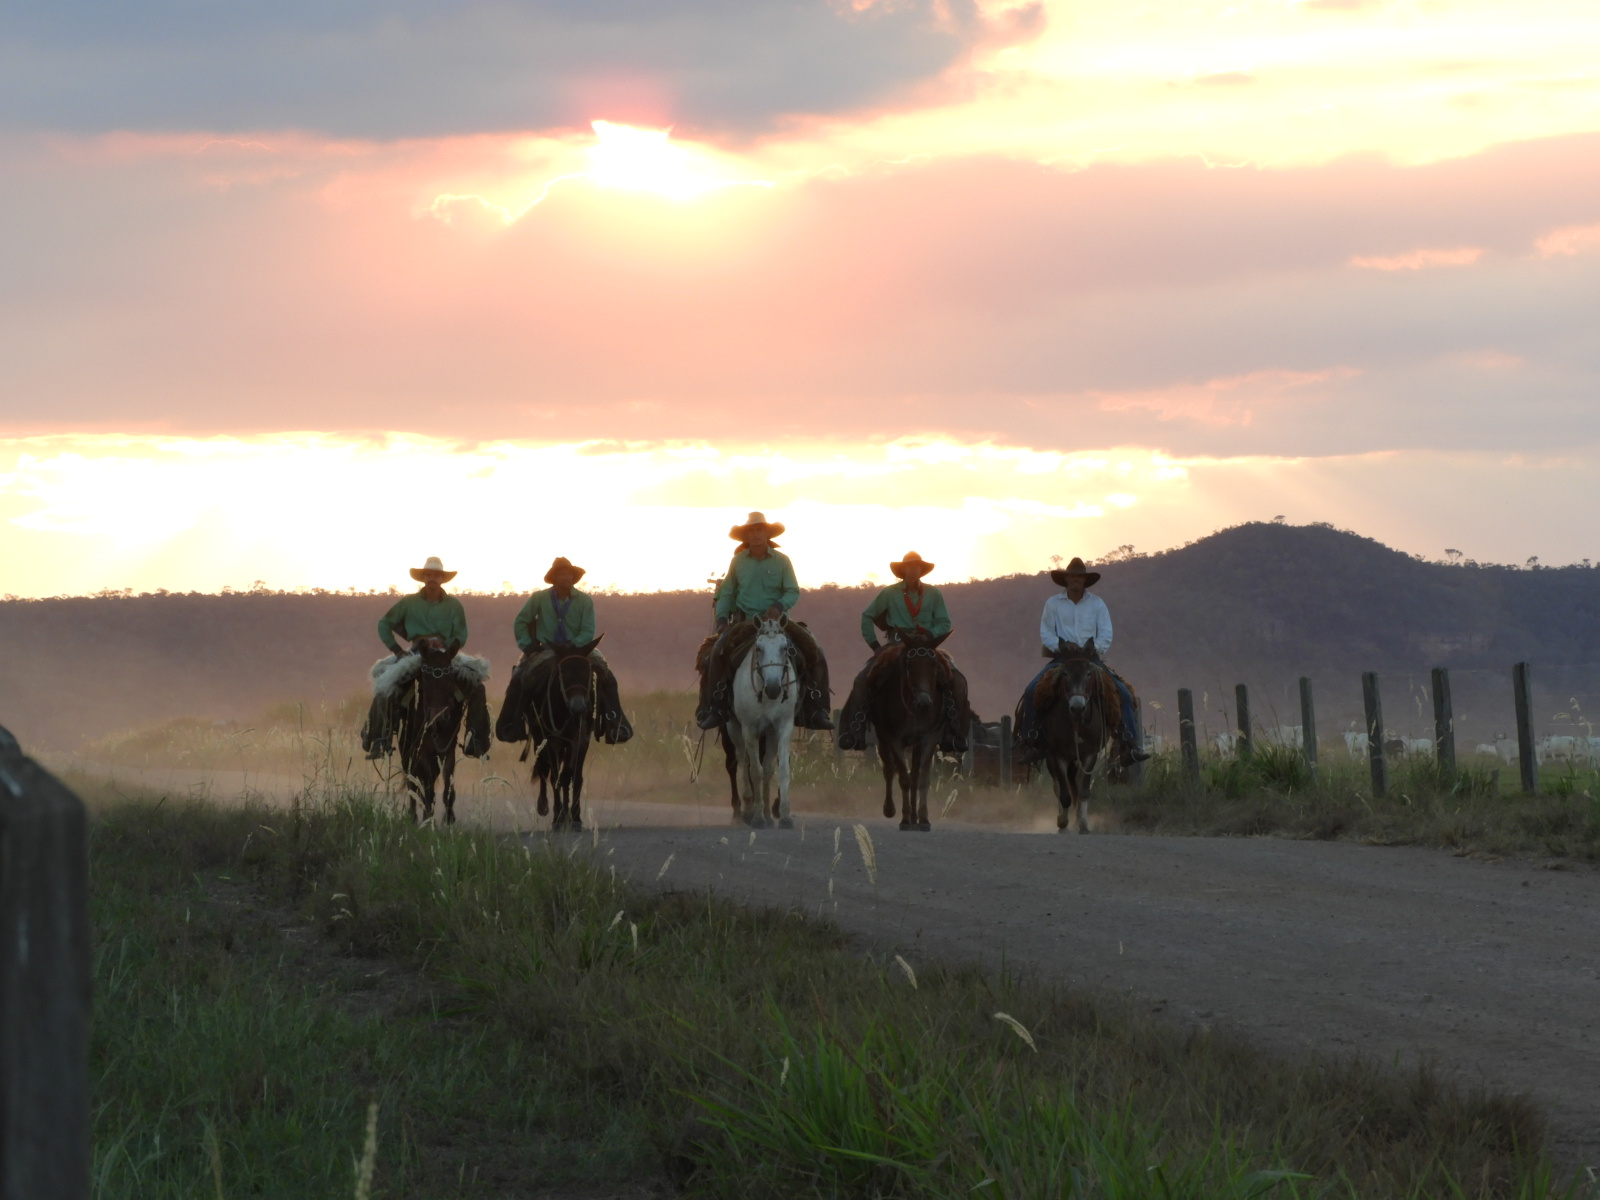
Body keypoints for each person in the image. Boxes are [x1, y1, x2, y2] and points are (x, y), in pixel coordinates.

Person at [695, 512, 833, 731]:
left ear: (767, 533)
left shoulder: (782, 561)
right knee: (717, 651)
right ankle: (715, 707)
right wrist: (721, 619)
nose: (756, 534)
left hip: (779, 623)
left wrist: (778, 606)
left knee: (814, 649)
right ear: (746, 536)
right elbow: (727, 593)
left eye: (760, 530)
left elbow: (792, 590)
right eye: (751, 531)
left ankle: (817, 708)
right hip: (746, 622)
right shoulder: (738, 561)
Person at [1015, 556, 1148, 767]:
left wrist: (1095, 648)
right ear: (1066, 579)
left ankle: (1129, 744)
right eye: (1072, 577)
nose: (1076, 580)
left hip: (1090, 659)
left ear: (1085, 580)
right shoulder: (1053, 604)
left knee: (1122, 693)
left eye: (1079, 577)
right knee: (1032, 690)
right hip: (1062, 659)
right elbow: (1046, 632)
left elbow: (1106, 633)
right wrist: (1060, 645)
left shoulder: (1097, 604)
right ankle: (1030, 741)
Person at [836, 551, 970, 753]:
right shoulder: (889, 593)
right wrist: (875, 646)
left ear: (922, 570)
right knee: (862, 679)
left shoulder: (934, 594)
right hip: (897, 644)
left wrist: (930, 634)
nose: (913, 570)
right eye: (909, 566)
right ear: (903, 570)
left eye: (917, 567)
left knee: (958, 681)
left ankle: (954, 734)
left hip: (926, 646)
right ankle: (853, 731)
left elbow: (944, 622)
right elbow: (867, 616)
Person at [362, 556, 491, 760]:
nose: (432, 578)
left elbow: (461, 634)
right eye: (428, 574)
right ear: (423, 578)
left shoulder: (454, 605)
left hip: (446, 654)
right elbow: (384, 624)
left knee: (477, 686)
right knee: (385, 686)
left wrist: (449, 649)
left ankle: (475, 739)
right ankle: (380, 738)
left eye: (436, 575)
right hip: (417, 652)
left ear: (442, 579)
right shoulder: (408, 602)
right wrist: (397, 650)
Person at [495, 557, 632, 745]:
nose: (566, 577)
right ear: (554, 578)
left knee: (606, 673)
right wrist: (528, 646)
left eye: (569, 574)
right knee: (520, 675)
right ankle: (512, 724)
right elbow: (521, 621)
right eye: (562, 574)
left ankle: (615, 723)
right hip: (547, 649)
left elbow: (588, 630)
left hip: (580, 649)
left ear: (574, 577)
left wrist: (573, 645)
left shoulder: (585, 600)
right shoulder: (539, 598)